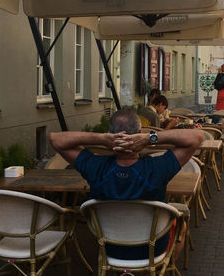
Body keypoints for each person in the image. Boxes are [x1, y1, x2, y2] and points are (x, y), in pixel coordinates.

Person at [49, 109, 204, 261]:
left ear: (111, 133)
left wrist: (101, 139)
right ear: (139, 132)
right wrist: (150, 138)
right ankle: (160, 268)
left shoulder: (95, 167)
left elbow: (56, 139)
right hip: (152, 248)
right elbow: (197, 136)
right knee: (181, 227)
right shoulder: (157, 168)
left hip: (109, 247)